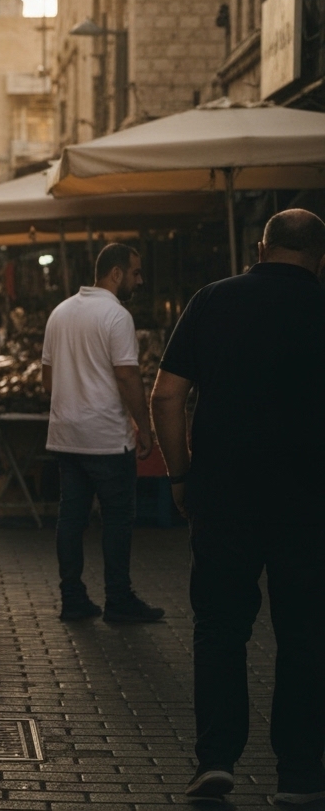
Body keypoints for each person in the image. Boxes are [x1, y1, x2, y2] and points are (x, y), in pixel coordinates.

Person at [151, 209, 325, 804]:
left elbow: (167, 395)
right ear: (320, 258)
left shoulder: (213, 300)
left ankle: (216, 760)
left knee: (221, 630)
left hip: (223, 495)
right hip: (310, 502)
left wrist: (180, 475)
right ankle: (300, 774)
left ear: (261, 247)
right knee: (305, 634)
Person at [41, 244, 163, 624]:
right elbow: (127, 376)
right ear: (116, 273)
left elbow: (47, 380)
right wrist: (144, 425)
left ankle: (72, 598)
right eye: (136, 273)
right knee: (117, 519)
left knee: (71, 518)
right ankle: (118, 600)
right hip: (106, 438)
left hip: (66, 436)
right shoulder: (116, 315)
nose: (139, 281)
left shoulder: (60, 312)